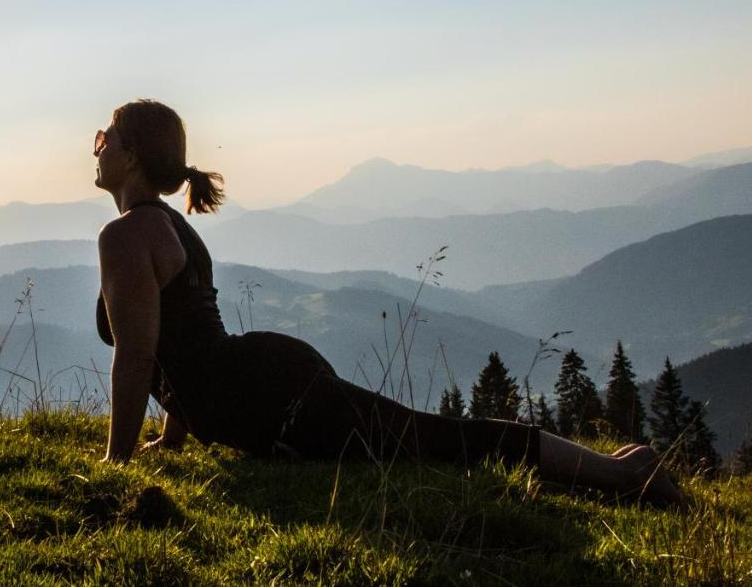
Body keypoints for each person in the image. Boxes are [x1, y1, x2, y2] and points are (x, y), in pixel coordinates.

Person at [92, 98, 683, 507]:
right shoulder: (171, 227)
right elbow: (188, 341)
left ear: (133, 156)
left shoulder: (124, 237)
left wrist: (117, 461)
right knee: (426, 439)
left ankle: (627, 475)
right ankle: (619, 467)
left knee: (435, 441)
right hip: (264, 379)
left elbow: (140, 356)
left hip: (265, 399)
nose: (95, 148)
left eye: (104, 138)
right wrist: (172, 437)